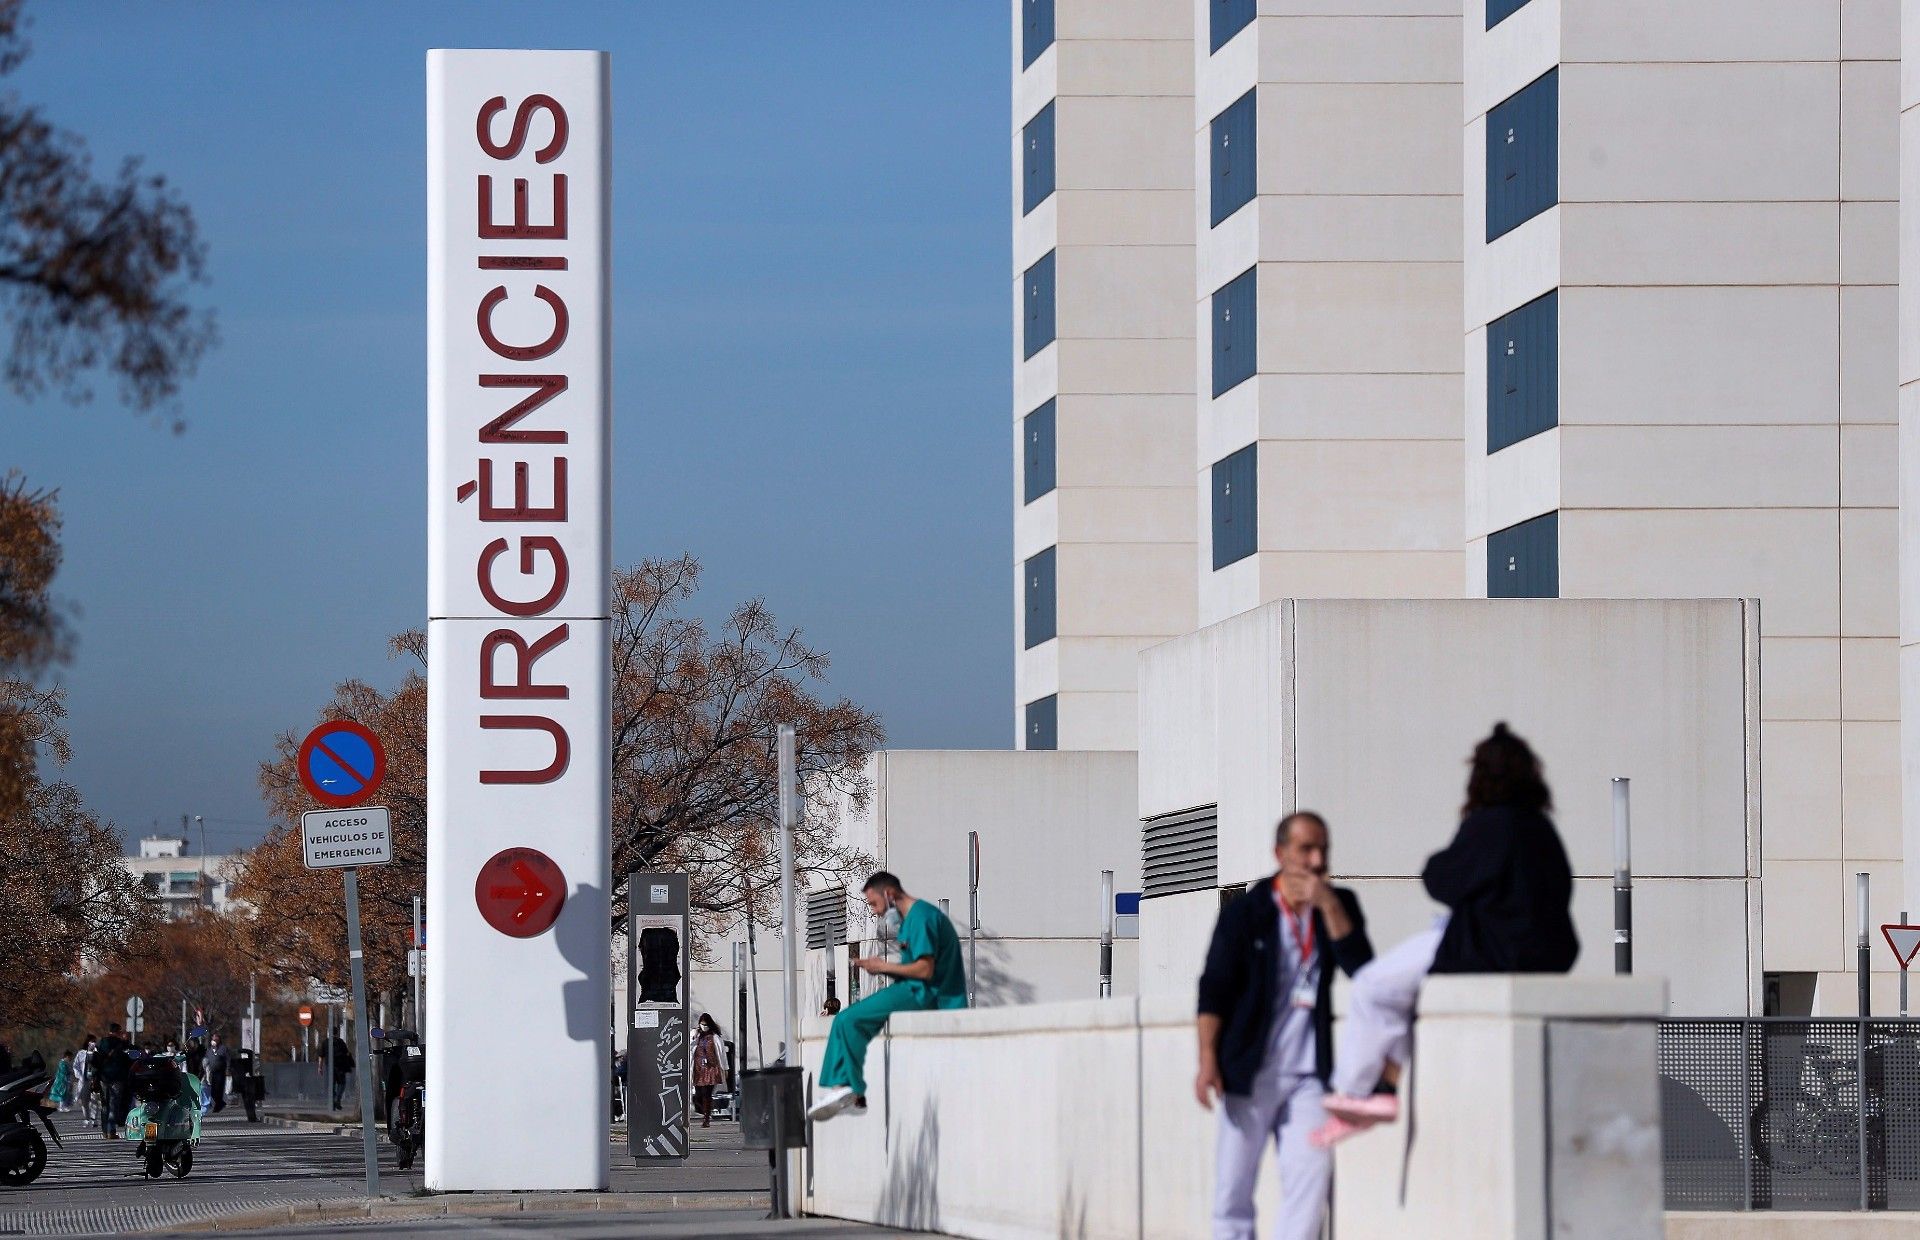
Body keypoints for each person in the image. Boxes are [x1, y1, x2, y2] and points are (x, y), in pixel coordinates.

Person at [1311, 723, 1579, 1148]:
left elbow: (1443, 881)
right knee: (1407, 995)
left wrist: (1439, 861)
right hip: (1549, 951)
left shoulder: (1490, 824)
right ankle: (1387, 1083)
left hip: (1487, 947)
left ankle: (1354, 1092)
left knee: (1373, 986)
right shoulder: (1543, 830)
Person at [1195, 811, 1375, 1240]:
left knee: (1310, 1186)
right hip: (1249, 1072)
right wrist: (1207, 1060)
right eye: (1305, 849)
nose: (1315, 860)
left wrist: (1328, 905)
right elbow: (1215, 988)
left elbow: (1364, 971)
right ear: (1280, 854)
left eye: (1323, 850)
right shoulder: (1247, 913)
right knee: (1232, 1193)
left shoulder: (1339, 905)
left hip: (1309, 1077)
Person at [807, 871, 967, 1122]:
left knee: (848, 1020)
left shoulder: (922, 918)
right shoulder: (912, 920)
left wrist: (882, 966)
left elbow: (925, 969)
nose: (875, 912)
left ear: (889, 894)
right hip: (916, 990)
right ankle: (849, 1090)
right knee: (848, 1021)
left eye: (874, 904)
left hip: (926, 994)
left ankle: (850, 1090)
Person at [97, 1023, 132, 1138]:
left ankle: (104, 1131)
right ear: (118, 1031)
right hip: (117, 1077)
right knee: (113, 1104)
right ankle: (111, 1131)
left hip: (103, 1077)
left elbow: (96, 1059)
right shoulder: (120, 1043)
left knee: (104, 1105)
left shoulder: (102, 1042)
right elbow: (127, 1057)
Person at [691, 1015, 724, 1129]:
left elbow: (721, 1053)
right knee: (698, 1094)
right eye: (702, 1024)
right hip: (698, 1068)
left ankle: (706, 1118)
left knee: (707, 1094)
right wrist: (694, 1035)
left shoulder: (714, 1037)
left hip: (711, 1068)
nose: (704, 1027)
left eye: (706, 1025)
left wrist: (725, 1068)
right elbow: (689, 1046)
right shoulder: (696, 1035)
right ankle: (703, 1111)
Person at [73, 1036, 95, 1124]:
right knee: (84, 1100)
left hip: (94, 1080)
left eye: (94, 1042)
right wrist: (79, 1075)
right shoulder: (81, 1053)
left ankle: (93, 1119)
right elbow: (75, 1066)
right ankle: (87, 1118)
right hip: (84, 1080)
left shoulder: (97, 1053)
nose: (93, 1043)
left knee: (94, 1100)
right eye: (92, 1041)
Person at [206, 1033, 230, 1113]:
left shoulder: (223, 1049)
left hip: (220, 1071)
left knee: (219, 1089)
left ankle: (218, 1106)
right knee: (213, 1091)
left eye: (216, 1039)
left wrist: (228, 1069)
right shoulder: (209, 1050)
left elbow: (228, 1060)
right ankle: (221, 1103)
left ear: (219, 1040)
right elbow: (207, 1061)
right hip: (212, 1072)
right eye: (213, 1039)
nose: (214, 1041)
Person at [329, 1032, 353, 1110]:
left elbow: (321, 1055)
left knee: (331, 1086)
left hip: (330, 1067)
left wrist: (320, 1067)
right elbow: (347, 1053)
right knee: (341, 1084)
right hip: (340, 1067)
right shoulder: (341, 1042)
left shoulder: (327, 1042)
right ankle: (337, 1099)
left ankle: (333, 1102)